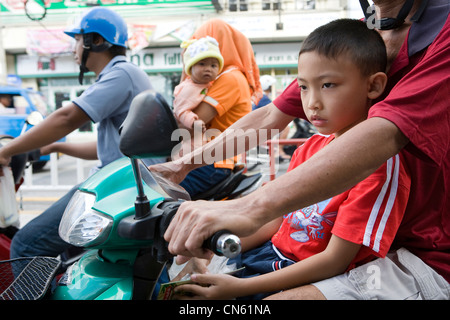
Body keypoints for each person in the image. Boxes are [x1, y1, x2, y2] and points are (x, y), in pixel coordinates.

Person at [154, 0, 450, 300]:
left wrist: (246, 209)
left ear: (374, 85)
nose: (312, 102)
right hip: (287, 258)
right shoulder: (354, 42)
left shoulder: (383, 167)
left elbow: (386, 134)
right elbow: (271, 116)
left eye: (329, 85)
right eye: (304, 87)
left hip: (421, 254)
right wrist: (181, 166)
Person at [0, 7, 153, 259]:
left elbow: (67, 117)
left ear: (97, 41)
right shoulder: (125, 75)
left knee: (25, 245)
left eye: (77, 41)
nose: (73, 49)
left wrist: (7, 150)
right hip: (126, 183)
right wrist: (55, 147)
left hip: (119, 187)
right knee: (69, 251)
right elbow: (108, 148)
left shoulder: (120, 74)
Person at [168, 19, 262, 198]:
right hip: (209, 159)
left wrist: (185, 69)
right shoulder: (219, 78)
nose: (198, 49)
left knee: (156, 197)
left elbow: (189, 122)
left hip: (211, 163)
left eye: (202, 41)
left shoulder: (230, 78)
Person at [173, 36, 224, 131]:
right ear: (190, 67)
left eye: (213, 65)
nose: (208, 69)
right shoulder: (189, 89)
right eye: (202, 64)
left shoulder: (204, 84)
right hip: (190, 136)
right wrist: (193, 122)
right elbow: (180, 110)